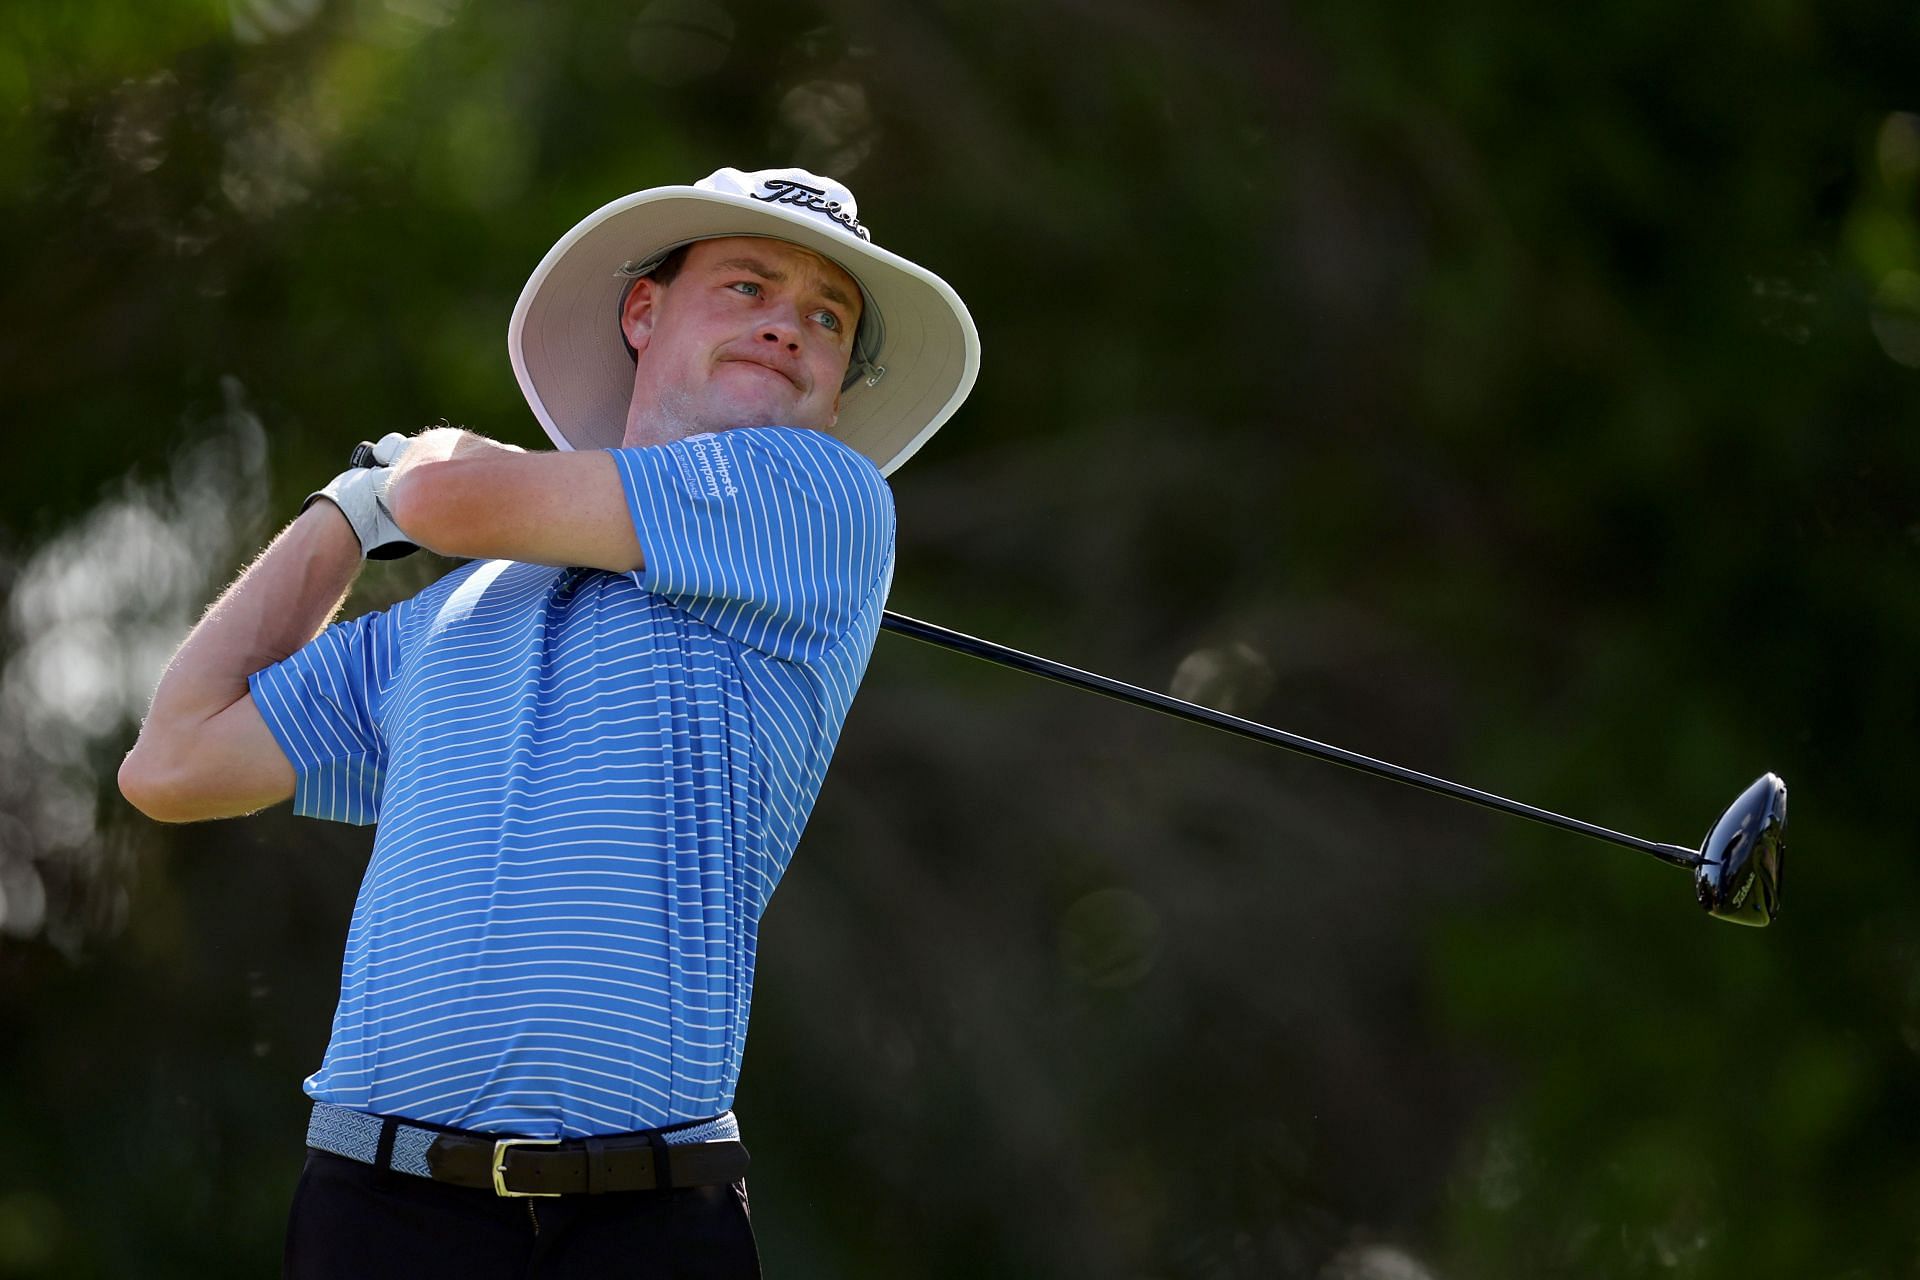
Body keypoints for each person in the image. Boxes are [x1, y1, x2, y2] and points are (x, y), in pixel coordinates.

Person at [118, 166, 980, 1279]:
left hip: (645, 1222)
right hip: (381, 1215)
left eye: (826, 315)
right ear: (642, 310)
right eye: (747, 285)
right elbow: (174, 760)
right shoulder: (449, 616)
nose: (788, 324)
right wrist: (339, 511)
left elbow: (437, 498)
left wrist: (405, 470)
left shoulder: (819, 496)